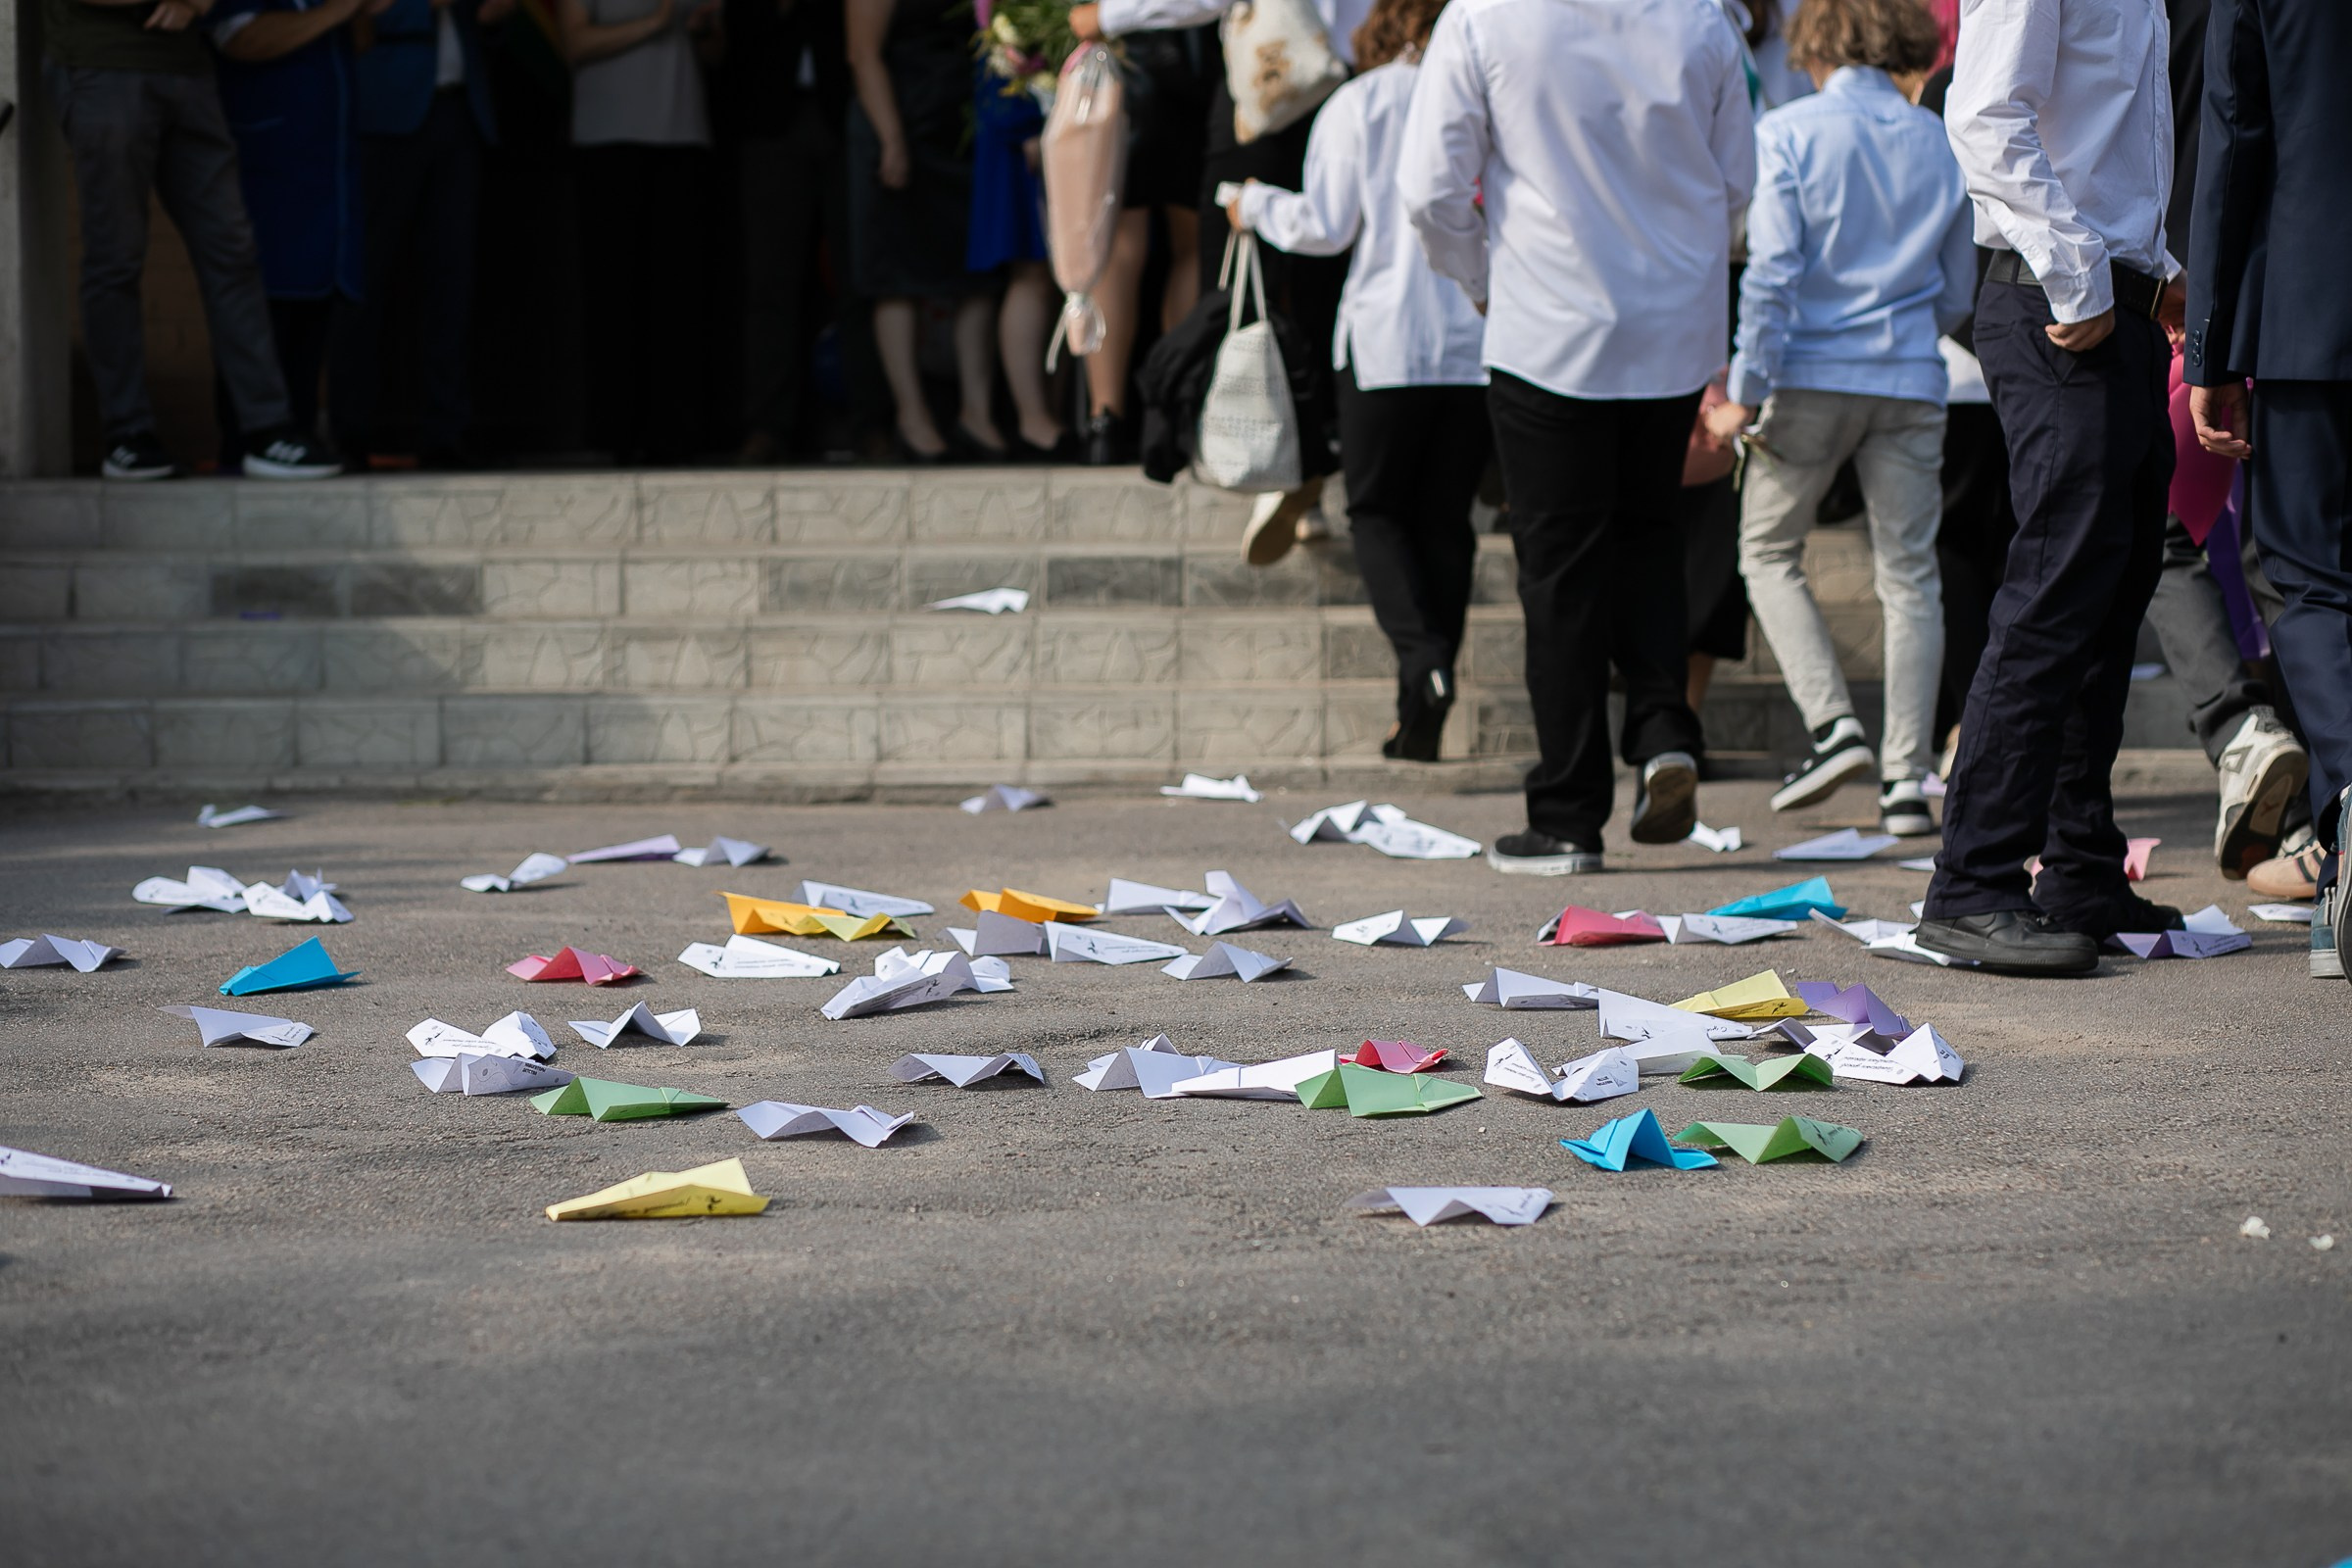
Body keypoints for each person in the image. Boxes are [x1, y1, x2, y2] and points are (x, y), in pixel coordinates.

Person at [1400, 0, 1754, 874]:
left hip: (1547, 323)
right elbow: (1738, 185)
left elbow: (1431, 190)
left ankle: (1566, 813)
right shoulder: (1704, 17)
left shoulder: (1483, 17)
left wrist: (1484, 281)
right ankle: (1665, 725)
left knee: (1560, 566)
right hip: (1672, 325)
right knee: (1649, 534)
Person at [1919, 0, 2181, 974]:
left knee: (2107, 599)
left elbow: (2104, 140)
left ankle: (2078, 865)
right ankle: (1973, 882)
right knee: (2053, 592)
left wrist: (2157, 268)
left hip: (2114, 299)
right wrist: (2080, 272)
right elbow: (1985, 114)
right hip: (2058, 301)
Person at [1705, 0, 1973, 838]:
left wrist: (1744, 388)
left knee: (1766, 550)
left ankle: (1832, 725)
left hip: (1808, 378)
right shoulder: (1939, 135)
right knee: (1910, 577)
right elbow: (1958, 289)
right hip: (1910, 378)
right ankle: (1906, 778)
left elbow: (1773, 272)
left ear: (1814, 39)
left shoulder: (1788, 131)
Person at [1225, 0, 1486, 760]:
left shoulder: (1360, 102)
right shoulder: (1482, 101)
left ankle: (1423, 661)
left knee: (1375, 511)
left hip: (1384, 337)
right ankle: (1419, 709)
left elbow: (1326, 224)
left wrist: (1253, 204)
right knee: (1445, 520)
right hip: (1474, 339)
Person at [2186, 0, 2352, 982]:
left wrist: (2211, 344)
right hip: (2303, 309)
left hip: (2308, 306)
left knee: (2309, 580)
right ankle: (2336, 870)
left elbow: (2235, 140)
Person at [1071, 0, 1362, 547]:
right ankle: (1311, 466)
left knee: (1242, 284)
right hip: (1341, 83)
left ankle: (1278, 466)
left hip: (1268, 88)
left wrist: (1108, 16)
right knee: (1319, 279)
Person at [43, 0, 339, 478]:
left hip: (189, 70)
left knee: (233, 252)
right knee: (115, 258)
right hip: (103, 67)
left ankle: (266, 430)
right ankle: (127, 434)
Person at [334, 0, 506, 468]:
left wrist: (489, 18)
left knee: (452, 278)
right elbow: (350, 15)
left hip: (458, 112)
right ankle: (352, 428)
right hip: (387, 109)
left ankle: (446, 429)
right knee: (369, 274)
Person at [207, 0, 369, 471]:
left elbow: (360, 42)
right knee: (260, 303)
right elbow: (241, 38)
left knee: (316, 306)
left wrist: (354, 13)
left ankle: (295, 435)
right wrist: (340, 9)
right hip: (265, 160)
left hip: (328, 167)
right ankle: (248, 444)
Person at [559, 0, 720, 465]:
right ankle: (615, 433)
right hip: (609, 140)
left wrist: (701, 27)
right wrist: (656, 20)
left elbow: (716, 54)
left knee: (678, 298)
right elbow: (575, 41)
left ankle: (677, 432)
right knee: (613, 296)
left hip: (683, 137)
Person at [847, 0, 1004, 461]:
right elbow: (862, 52)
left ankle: (977, 413)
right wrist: (892, 139)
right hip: (899, 119)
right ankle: (911, 416)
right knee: (897, 274)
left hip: (961, 124)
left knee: (977, 274)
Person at [721, 0, 831, 464]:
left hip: (841, 109)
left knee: (858, 274)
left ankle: (872, 423)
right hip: (767, 117)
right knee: (770, 281)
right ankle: (768, 424)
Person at [966, 46, 1066, 459]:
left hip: (1067, 113)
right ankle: (1032, 417)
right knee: (1032, 271)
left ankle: (1058, 413)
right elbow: (1002, 42)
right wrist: (1024, 123)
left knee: (1072, 277)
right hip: (1023, 125)